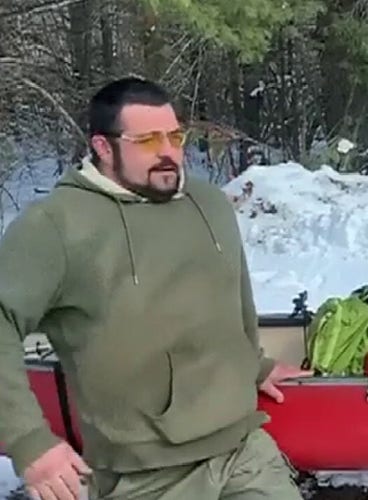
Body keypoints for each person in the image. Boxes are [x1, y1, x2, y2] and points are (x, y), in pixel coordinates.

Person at [0, 77, 312, 500]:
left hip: (244, 452)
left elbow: (226, 303)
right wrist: (29, 443)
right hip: (143, 477)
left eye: (174, 136)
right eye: (146, 140)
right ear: (103, 147)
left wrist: (251, 365)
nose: (168, 152)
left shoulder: (209, 204)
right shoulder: (57, 226)